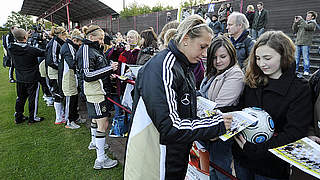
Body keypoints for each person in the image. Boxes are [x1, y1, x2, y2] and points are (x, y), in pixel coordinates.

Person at [124, 14, 232, 180]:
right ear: (186, 38)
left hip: (172, 154)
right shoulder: (164, 66)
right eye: (202, 47)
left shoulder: (182, 64)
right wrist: (215, 124)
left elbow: (182, 106)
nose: (204, 54)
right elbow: (170, 126)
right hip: (156, 156)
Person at [232, 31, 313, 180]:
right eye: (257, 58)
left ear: (284, 55)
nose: (262, 63)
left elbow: (294, 134)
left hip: (271, 167)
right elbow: (240, 111)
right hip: (242, 159)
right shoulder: (253, 80)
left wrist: (255, 150)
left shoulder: (300, 88)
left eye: (267, 58)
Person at [199, 36, 244, 180]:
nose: (218, 61)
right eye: (214, 57)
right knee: (210, 167)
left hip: (222, 130)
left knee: (221, 169)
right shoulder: (213, 72)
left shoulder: (235, 74)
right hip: (208, 126)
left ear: (231, 54)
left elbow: (220, 105)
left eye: (223, 56)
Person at [76, 25, 118, 169]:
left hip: (97, 91)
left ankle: (95, 142)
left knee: (95, 119)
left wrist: (108, 72)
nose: (102, 41)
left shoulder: (91, 49)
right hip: (95, 92)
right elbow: (87, 75)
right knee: (103, 123)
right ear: (91, 37)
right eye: (99, 38)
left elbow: (95, 69)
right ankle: (100, 160)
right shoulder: (87, 50)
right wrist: (109, 69)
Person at [8, 28, 45, 124]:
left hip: (20, 78)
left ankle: (18, 117)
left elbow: (20, 44)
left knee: (20, 97)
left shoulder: (11, 48)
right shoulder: (31, 49)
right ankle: (33, 117)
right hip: (32, 78)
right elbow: (43, 52)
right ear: (25, 37)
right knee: (33, 98)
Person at [60, 29, 84, 129]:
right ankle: (69, 121)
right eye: (79, 42)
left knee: (74, 98)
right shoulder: (67, 48)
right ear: (74, 40)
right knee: (70, 98)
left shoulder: (70, 46)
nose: (80, 44)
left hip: (72, 75)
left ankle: (75, 117)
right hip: (67, 76)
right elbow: (72, 63)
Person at [46, 26, 68, 125]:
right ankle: (58, 118)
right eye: (65, 34)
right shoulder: (54, 43)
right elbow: (52, 61)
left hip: (58, 71)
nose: (66, 36)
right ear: (60, 34)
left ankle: (61, 114)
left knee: (59, 93)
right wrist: (61, 69)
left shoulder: (58, 42)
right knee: (57, 94)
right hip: (55, 73)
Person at [292, 11, 318, 76]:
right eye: (307, 15)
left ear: (313, 17)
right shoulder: (302, 23)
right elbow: (294, 30)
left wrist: (301, 20)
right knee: (296, 58)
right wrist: (296, 22)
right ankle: (295, 70)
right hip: (298, 42)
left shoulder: (313, 24)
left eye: (309, 16)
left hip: (306, 43)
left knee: (305, 58)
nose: (307, 17)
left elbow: (306, 27)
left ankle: (306, 70)